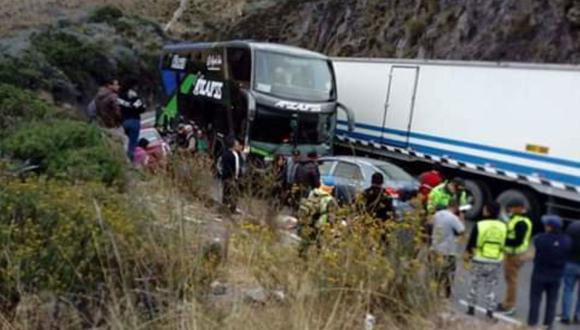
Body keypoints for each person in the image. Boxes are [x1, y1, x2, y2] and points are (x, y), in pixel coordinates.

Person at [528, 215, 572, 328]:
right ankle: (548, 324)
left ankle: (532, 323)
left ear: (550, 227)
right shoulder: (566, 241)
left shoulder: (540, 239)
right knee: (552, 301)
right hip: (556, 275)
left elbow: (535, 246)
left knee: (535, 299)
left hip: (539, 273)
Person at [465, 201, 507, 319]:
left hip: (479, 258)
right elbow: (504, 242)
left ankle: (471, 308)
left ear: (488, 211)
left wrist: (467, 257)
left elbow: (471, 243)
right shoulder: (503, 226)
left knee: (474, 284)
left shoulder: (480, 224)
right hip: (495, 260)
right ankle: (490, 311)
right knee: (491, 286)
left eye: (484, 209)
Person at [497, 198, 533, 315]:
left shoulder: (521, 222)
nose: (510, 210)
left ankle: (510, 306)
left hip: (515, 255)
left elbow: (517, 240)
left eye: (512, 208)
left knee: (512, 281)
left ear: (519, 208)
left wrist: (503, 240)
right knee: (509, 280)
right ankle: (507, 303)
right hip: (512, 254)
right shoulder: (517, 219)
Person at [431, 199, 465, 298]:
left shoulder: (437, 214)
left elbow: (430, 224)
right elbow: (461, 231)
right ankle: (447, 294)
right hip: (448, 250)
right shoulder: (453, 218)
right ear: (456, 207)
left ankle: (434, 292)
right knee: (448, 273)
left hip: (435, 247)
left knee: (436, 272)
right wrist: (461, 218)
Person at [297, 179, 337, 257]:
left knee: (306, 241)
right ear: (331, 188)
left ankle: (302, 257)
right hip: (320, 224)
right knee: (320, 244)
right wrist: (333, 227)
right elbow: (332, 216)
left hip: (309, 221)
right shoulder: (330, 199)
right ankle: (318, 259)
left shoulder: (313, 193)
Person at [118, 80, 146, 161]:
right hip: (134, 120)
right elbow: (141, 108)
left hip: (123, 121)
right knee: (132, 144)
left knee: (124, 141)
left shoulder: (119, 96)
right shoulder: (133, 95)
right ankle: (130, 160)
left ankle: (122, 158)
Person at [561, 220, 580, 325]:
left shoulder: (573, 226)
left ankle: (566, 316)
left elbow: (566, 243)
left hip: (571, 262)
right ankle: (578, 316)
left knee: (568, 289)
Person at [220, 136, 242, 214]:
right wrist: (231, 176)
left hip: (234, 177)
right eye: (237, 144)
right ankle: (226, 208)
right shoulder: (228, 154)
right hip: (229, 177)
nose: (238, 145)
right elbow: (228, 167)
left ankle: (231, 208)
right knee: (228, 192)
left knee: (233, 193)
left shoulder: (237, 154)